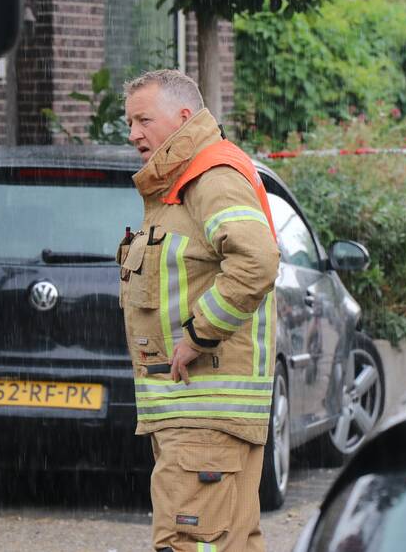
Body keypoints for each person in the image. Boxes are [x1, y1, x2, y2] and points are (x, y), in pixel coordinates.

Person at [117, 69, 280, 552]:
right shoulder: (178, 186)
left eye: (144, 120)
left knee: (188, 543)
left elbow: (256, 260)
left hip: (205, 414)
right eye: (129, 122)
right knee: (228, 544)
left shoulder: (209, 178)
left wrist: (197, 335)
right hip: (198, 417)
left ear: (184, 118)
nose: (133, 134)